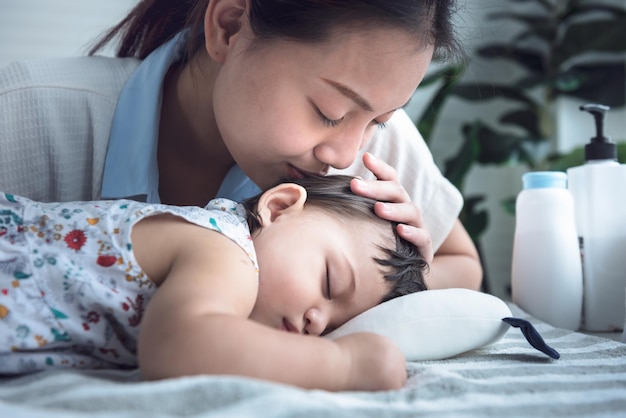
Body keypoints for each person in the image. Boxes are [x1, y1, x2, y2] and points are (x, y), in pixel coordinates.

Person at [0, 1, 481, 293]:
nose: (344, 152)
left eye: (378, 120)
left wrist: (403, 276)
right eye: (329, 112)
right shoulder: (23, 114)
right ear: (228, 27)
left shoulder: (374, 159)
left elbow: (464, 266)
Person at [0, 175, 427, 391]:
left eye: (336, 327)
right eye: (330, 283)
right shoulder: (227, 250)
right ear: (279, 208)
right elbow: (177, 347)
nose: (318, 322)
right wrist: (344, 364)